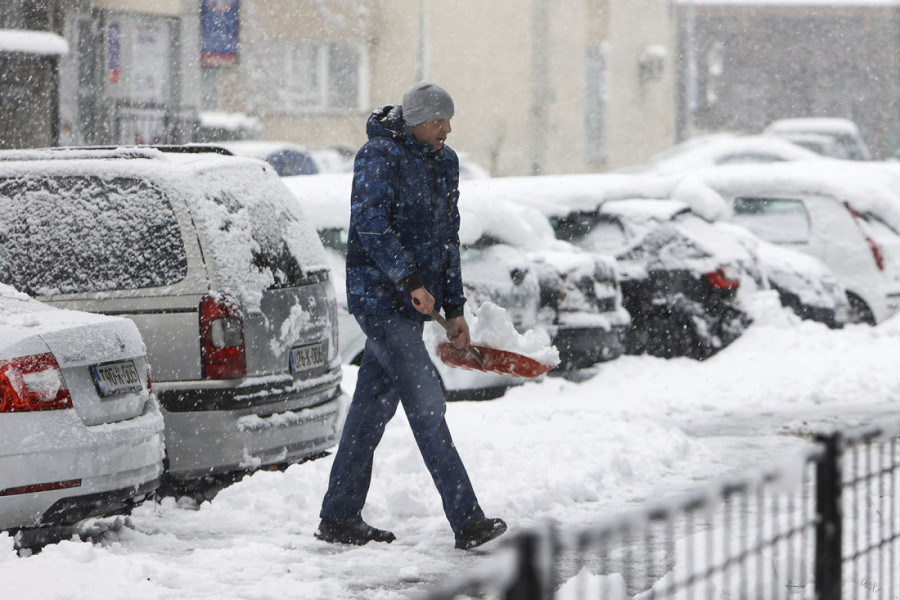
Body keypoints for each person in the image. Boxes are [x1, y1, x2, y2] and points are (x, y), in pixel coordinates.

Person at [316, 81, 507, 550]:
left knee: (369, 413)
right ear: (416, 121)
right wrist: (409, 280)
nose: (447, 129)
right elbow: (371, 225)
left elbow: (448, 238)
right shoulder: (378, 156)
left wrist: (455, 307)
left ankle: (339, 515)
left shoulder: (445, 162)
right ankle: (467, 520)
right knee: (427, 406)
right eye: (438, 121)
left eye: (449, 120)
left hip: (415, 302)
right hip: (380, 302)